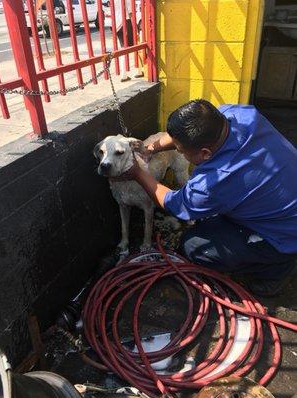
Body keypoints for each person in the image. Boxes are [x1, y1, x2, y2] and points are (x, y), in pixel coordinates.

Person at [116, 99, 297, 297]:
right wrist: (150, 149)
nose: (177, 151)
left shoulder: (214, 183)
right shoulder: (240, 115)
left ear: (205, 153)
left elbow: (174, 204)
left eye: (181, 150)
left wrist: (138, 174)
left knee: (194, 247)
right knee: (208, 219)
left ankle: (277, 269)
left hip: (285, 234)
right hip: (282, 199)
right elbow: (181, 134)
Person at [114, 0, 143, 81]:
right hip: (126, 23)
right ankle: (139, 70)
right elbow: (131, 13)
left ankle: (124, 75)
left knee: (123, 49)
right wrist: (136, 29)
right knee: (136, 47)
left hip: (117, 24)